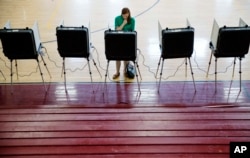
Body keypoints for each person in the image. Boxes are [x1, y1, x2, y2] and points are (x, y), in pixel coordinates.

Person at [113, 7, 135, 79]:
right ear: (121, 14)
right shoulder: (117, 18)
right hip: (118, 40)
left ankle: (125, 71)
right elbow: (117, 30)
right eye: (124, 15)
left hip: (128, 41)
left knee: (126, 58)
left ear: (129, 14)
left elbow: (132, 32)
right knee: (118, 57)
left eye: (127, 15)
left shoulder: (132, 20)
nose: (125, 16)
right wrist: (123, 23)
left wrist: (122, 28)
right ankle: (117, 72)